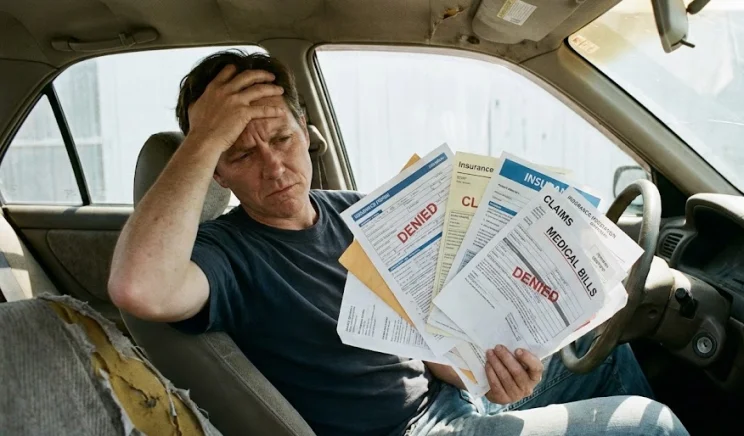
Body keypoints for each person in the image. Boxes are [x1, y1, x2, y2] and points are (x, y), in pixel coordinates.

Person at [108, 50, 689, 436]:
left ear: (306, 133)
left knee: (605, 352)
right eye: (239, 152)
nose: (274, 166)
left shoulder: (353, 211)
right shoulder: (223, 254)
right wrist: (204, 137)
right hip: (412, 430)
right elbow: (139, 289)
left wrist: (489, 375)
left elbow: (431, 348)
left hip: (453, 399)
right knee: (650, 425)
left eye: (281, 139)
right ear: (216, 170)